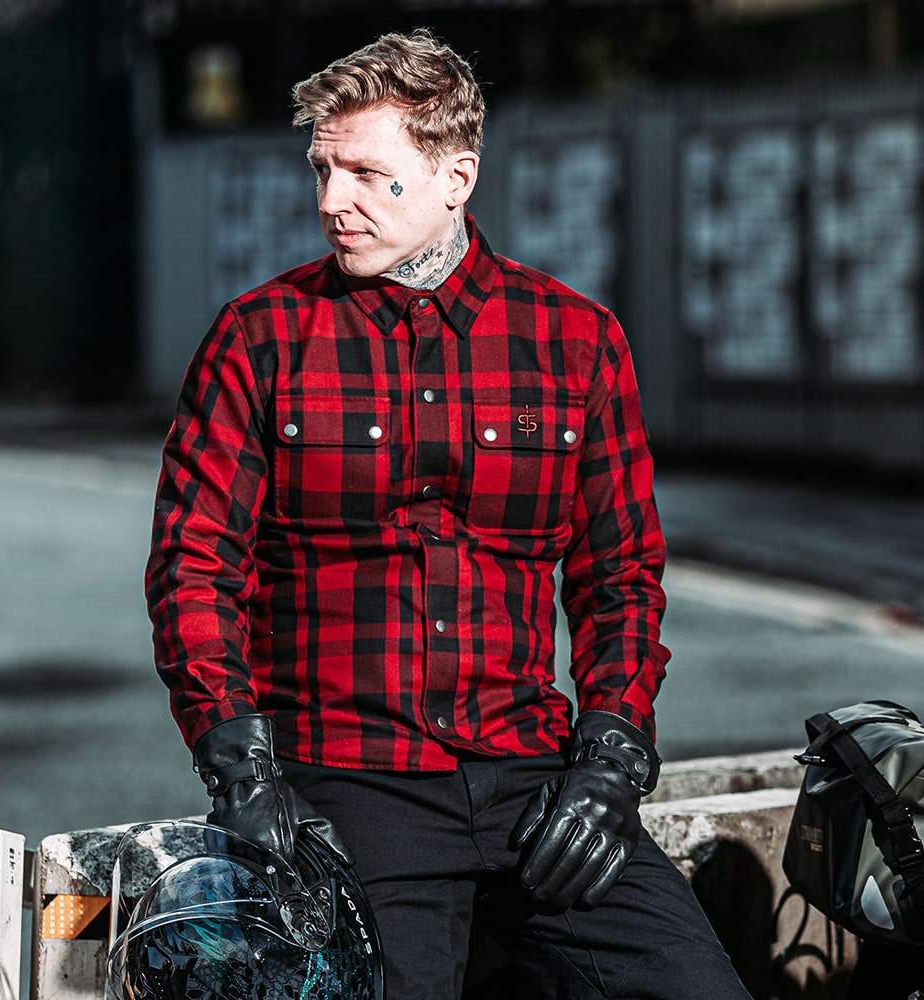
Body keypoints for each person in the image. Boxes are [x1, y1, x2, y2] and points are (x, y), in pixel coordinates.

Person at [145, 28, 752, 1000]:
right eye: (321, 168)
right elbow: (194, 566)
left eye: (362, 172)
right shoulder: (259, 339)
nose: (328, 200)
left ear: (453, 177)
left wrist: (610, 754)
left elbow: (619, 574)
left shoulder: (575, 340)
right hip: (346, 785)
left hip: (534, 777)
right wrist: (241, 769)